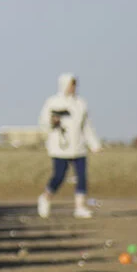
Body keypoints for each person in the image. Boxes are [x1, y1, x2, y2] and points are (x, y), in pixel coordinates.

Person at [37, 73, 101, 220]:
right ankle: (46, 197)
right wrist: (52, 122)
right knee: (59, 176)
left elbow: (86, 126)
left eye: (75, 84)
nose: (73, 87)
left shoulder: (80, 103)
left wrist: (94, 144)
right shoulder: (53, 102)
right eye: (71, 84)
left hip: (78, 147)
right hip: (60, 148)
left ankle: (80, 207)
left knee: (82, 177)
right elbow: (43, 122)